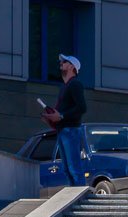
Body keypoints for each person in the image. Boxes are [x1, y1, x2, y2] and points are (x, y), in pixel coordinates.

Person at [41, 54, 87, 187]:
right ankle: (75, 197)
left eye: (65, 62)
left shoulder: (75, 84)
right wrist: (52, 119)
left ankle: (79, 197)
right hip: (64, 130)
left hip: (70, 130)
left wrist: (61, 116)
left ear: (72, 67)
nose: (61, 63)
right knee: (67, 169)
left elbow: (82, 107)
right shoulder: (65, 87)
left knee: (73, 169)